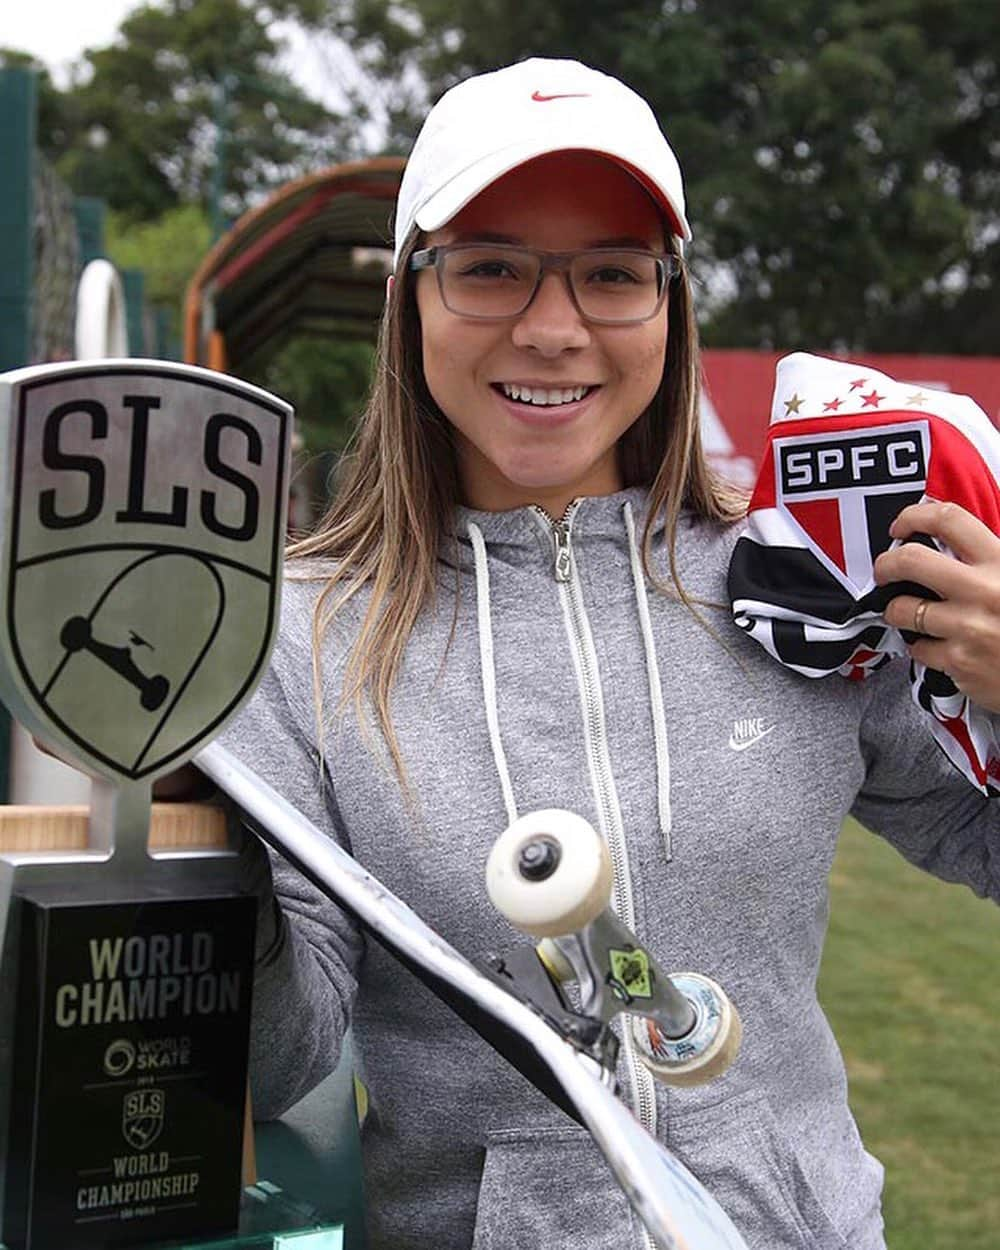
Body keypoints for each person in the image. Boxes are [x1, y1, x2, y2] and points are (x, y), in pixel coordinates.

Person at [215, 57, 1000, 1250]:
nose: (551, 326)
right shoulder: (296, 634)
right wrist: (185, 872)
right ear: (411, 297)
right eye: (489, 267)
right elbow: (280, 1055)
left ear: (670, 304)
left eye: (611, 274)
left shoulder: (804, 579)